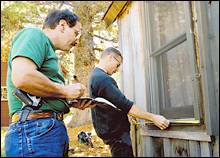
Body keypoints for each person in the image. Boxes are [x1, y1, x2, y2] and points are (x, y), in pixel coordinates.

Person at [5, 9, 94, 157]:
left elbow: (40, 93)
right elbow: (22, 76)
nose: (77, 41)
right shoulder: (34, 34)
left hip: (44, 131)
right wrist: (65, 91)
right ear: (62, 25)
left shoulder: (49, 52)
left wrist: (68, 102)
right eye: (76, 33)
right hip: (36, 130)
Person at [88, 47, 170, 157]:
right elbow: (126, 105)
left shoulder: (95, 76)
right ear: (110, 58)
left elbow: (114, 105)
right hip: (118, 139)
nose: (117, 69)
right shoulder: (103, 79)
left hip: (115, 137)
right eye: (117, 65)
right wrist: (154, 118)